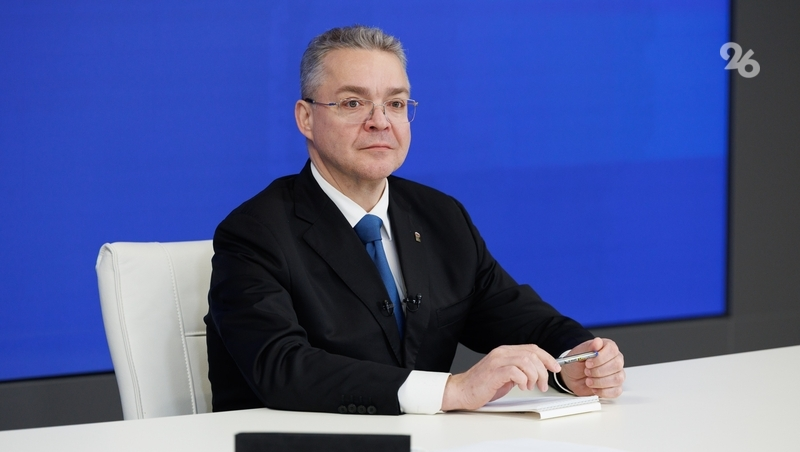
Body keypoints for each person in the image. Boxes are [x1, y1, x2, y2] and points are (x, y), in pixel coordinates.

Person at [204, 25, 625, 416]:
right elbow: (282, 368)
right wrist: (452, 390)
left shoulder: (441, 216)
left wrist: (577, 360)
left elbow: (518, 316)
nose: (380, 121)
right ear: (306, 118)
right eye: (353, 103)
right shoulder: (254, 233)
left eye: (395, 103)